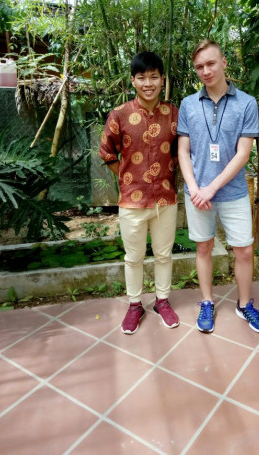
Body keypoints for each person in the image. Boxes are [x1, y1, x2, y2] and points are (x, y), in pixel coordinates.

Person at [177, 40, 259, 334]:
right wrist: (195, 188)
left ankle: (244, 304)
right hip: (197, 194)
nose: (205, 71)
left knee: (243, 251)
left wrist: (211, 188)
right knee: (203, 247)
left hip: (233, 192)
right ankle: (207, 302)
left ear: (224, 62)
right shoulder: (188, 104)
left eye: (211, 63)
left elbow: (243, 154)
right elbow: (183, 151)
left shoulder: (246, 103)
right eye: (199, 67)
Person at [99, 51, 179, 334]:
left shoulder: (174, 114)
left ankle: (162, 301)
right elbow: (106, 152)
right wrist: (126, 177)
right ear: (132, 80)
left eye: (154, 77)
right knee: (133, 258)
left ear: (162, 80)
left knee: (163, 255)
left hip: (166, 199)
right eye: (142, 77)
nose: (148, 83)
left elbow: (183, 152)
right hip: (131, 202)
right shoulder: (119, 115)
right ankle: (135, 305)